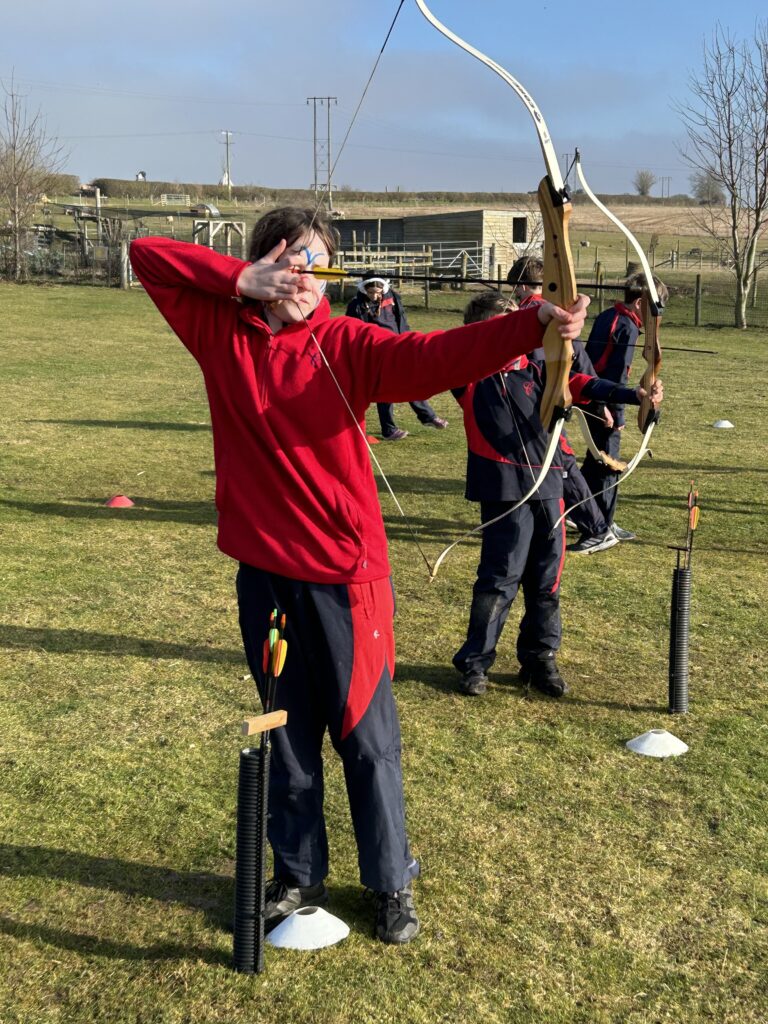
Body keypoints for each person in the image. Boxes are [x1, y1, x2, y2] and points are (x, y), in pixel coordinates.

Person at [129, 207, 589, 945]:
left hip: (346, 579)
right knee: (283, 731)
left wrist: (532, 324)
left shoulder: (347, 343)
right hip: (264, 578)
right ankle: (297, 871)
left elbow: (435, 356)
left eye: (315, 262)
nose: (303, 276)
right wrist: (239, 281)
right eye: (288, 260)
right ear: (261, 268)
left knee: (366, 737)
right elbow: (146, 253)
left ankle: (390, 879)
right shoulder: (221, 335)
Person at [451, 291, 663, 698]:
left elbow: (578, 383)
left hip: (549, 484)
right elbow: (457, 353)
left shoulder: (536, 364)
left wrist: (632, 395)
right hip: (504, 486)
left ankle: (539, 659)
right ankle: (475, 663)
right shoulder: (470, 370)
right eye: (507, 323)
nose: (520, 330)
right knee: (499, 579)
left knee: (546, 581)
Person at [507, 257, 617, 555]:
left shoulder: (537, 311)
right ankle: (578, 519)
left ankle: (597, 527)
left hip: (545, 397)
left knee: (560, 462)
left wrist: (598, 402)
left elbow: (576, 356)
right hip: (538, 395)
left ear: (522, 285)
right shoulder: (530, 309)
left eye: (515, 286)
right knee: (550, 461)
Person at [582, 272, 669, 541]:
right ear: (641, 304)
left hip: (596, 398)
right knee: (609, 465)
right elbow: (614, 375)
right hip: (604, 403)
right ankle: (602, 527)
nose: (657, 317)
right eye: (656, 308)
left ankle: (590, 516)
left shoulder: (610, 315)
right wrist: (613, 412)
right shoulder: (626, 327)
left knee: (593, 464)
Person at [346, 270, 449, 439]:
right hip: (374, 351)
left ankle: (427, 417)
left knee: (409, 381)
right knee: (386, 388)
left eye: (377, 293)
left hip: (397, 346)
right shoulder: (356, 305)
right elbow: (351, 330)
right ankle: (389, 429)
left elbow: (402, 321)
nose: (373, 296)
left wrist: (407, 341)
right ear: (365, 290)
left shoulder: (393, 298)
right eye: (370, 293)